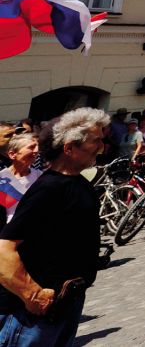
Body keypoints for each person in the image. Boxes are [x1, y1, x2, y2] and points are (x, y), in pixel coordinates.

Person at [0, 109, 109, 346]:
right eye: (96, 140)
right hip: (35, 312)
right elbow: (5, 248)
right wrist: (34, 296)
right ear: (69, 148)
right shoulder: (50, 188)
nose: (102, 146)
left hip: (66, 301)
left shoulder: (79, 184)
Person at [0, 134, 41, 229]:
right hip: (10, 232)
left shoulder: (40, 176)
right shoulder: (2, 178)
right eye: (31, 147)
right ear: (12, 154)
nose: (36, 150)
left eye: (37, 147)